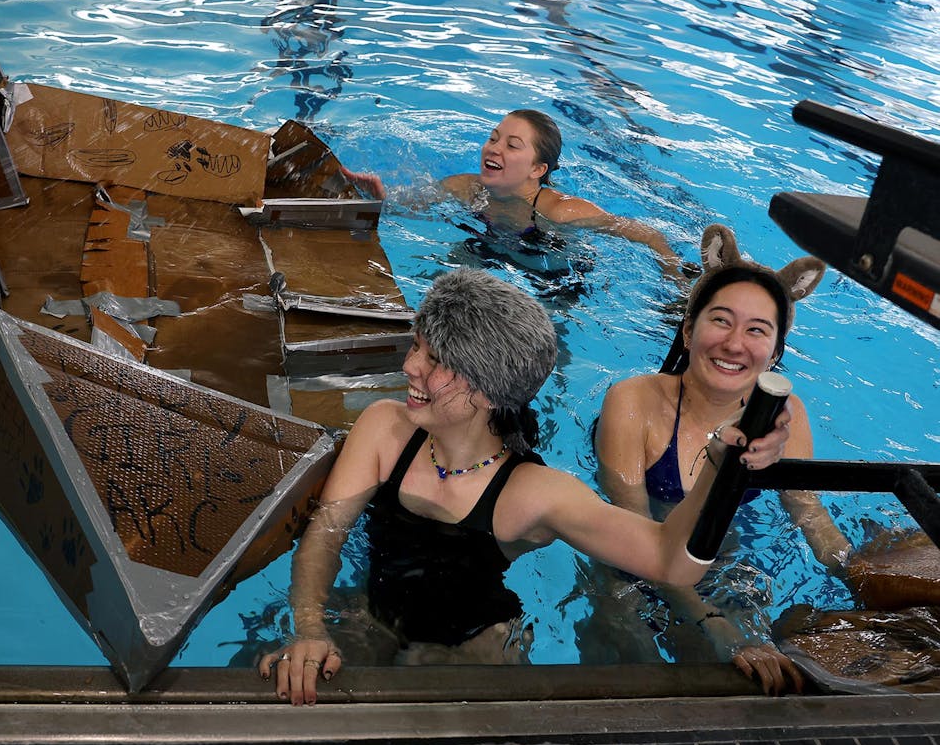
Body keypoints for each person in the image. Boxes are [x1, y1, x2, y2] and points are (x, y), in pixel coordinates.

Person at [257, 266, 792, 705]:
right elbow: (326, 533)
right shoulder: (385, 427)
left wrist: (719, 470)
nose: (411, 366)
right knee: (285, 685)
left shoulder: (533, 492)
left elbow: (668, 560)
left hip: (472, 647)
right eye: (418, 346)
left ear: (489, 393)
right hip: (371, 613)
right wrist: (308, 627)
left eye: (436, 359)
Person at [593, 223, 852, 695]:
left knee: (760, 678)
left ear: (775, 352)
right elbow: (632, 535)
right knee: (626, 645)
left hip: (723, 561)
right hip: (630, 561)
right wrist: (715, 623)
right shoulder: (633, 402)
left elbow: (810, 515)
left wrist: (856, 574)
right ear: (689, 329)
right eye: (721, 320)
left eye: (757, 330)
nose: (735, 344)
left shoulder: (787, 415)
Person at [340, 109, 686, 284]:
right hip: (490, 248)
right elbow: (409, 208)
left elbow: (647, 234)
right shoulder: (466, 186)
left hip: (553, 272)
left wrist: (673, 275)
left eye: (511, 145)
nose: (494, 148)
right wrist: (379, 198)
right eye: (493, 138)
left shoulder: (562, 211)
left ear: (538, 169)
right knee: (441, 281)